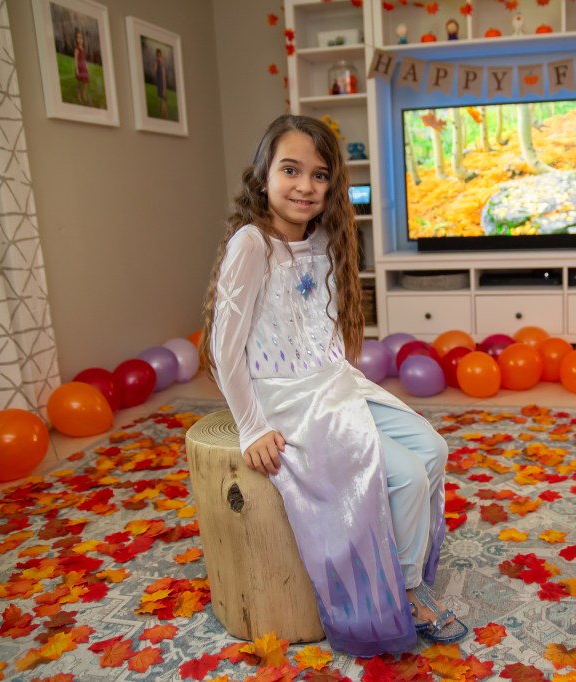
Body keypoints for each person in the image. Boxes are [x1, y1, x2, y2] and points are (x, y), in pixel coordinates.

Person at [199, 114, 467, 656]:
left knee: (431, 450)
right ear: (263, 175)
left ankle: (401, 566)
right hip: (288, 397)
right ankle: (405, 595)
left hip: (333, 382)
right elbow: (224, 349)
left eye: (319, 175)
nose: (305, 186)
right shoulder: (252, 244)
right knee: (407, 476)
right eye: (291, 170)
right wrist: (252, 426)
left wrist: (343, 379)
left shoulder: (324, 239)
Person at [73, 27, 89, 105]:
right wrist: (76, 69)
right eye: (78, 38)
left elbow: (84, 59)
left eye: (81, 38)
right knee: (79, 83)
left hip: (84, 67)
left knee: (85, 83)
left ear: (83, 39)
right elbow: (75, 59)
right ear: (76, 39)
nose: (79, 39)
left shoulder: (83, 49)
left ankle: (84, 94)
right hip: (79, 68)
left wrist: (87, 66)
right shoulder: (77, 49)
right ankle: (79, 95)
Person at [154, 48, 169, 119]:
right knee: (162, 99)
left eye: (160, 54)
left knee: (164, 99)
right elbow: (155, 70)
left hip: (163, 83)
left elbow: (164, 75)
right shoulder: (158, 62)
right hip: (161, 83)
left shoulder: (162, 63)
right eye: (158, 55)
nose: (160, 56)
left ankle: (164, 114)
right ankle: (163, 114)